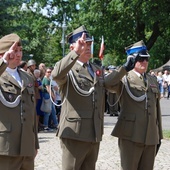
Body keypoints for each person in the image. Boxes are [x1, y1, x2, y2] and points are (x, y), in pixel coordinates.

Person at [51, 25, 139, 170]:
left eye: (90, 44)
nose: (87, 47)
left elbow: (108, 84)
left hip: (94, 132)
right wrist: (75, 53)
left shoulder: (95, 69)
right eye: (83, 43)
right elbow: (56, 75)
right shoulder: (68, 68)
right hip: (75, 134)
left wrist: (124, 68)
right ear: (72, 46)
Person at [110, 40, 163, 170]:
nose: (145, 62)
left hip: (150, 136)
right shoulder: (124, 78)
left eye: (146, 59)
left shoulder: (152, 79)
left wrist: (159, 135)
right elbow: (107, 84)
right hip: (131, 135)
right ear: (132, 60)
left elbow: (157, 109)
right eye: (141, 59)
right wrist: (123, 68)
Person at [0, 33, 39, 170]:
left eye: (20, 50)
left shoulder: (27, 77)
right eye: (14, 50)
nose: (18, 54)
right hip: (6, 147)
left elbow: (31, 113)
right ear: (3, 53)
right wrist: (3, 62)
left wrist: (35, 144)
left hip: (27, 146)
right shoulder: (1, 75)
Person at [42, 67, 58, 131]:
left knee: (53, 111)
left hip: (49, 95)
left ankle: (56, 124)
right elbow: (48, 89)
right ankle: (45, 126)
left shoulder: (49, 79)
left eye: (50, 72)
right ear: (45, 73)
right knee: (47, 112)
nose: (49, 73)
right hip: (47, 96)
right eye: (48, 72)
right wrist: (53, 96)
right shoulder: (46, 79)